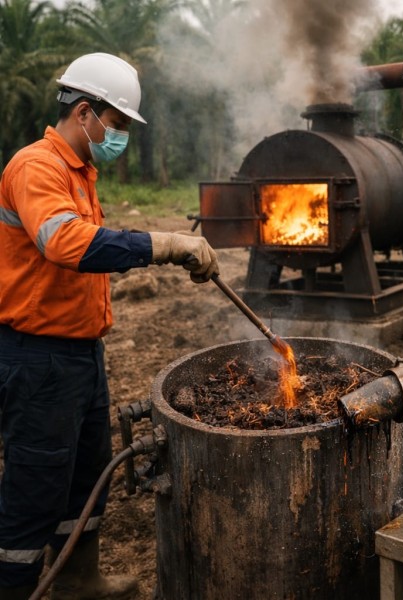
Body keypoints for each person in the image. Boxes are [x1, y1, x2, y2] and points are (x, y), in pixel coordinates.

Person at [0, 52, 219, 599]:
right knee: (36, 485)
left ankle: (78, 579)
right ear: (84, 114)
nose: (119, 136)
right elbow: (64, 243)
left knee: (85, 476)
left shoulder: (80, 172)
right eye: (116, 125)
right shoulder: (36, 167)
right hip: (37, 356)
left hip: (79, 353)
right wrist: (164, 244)